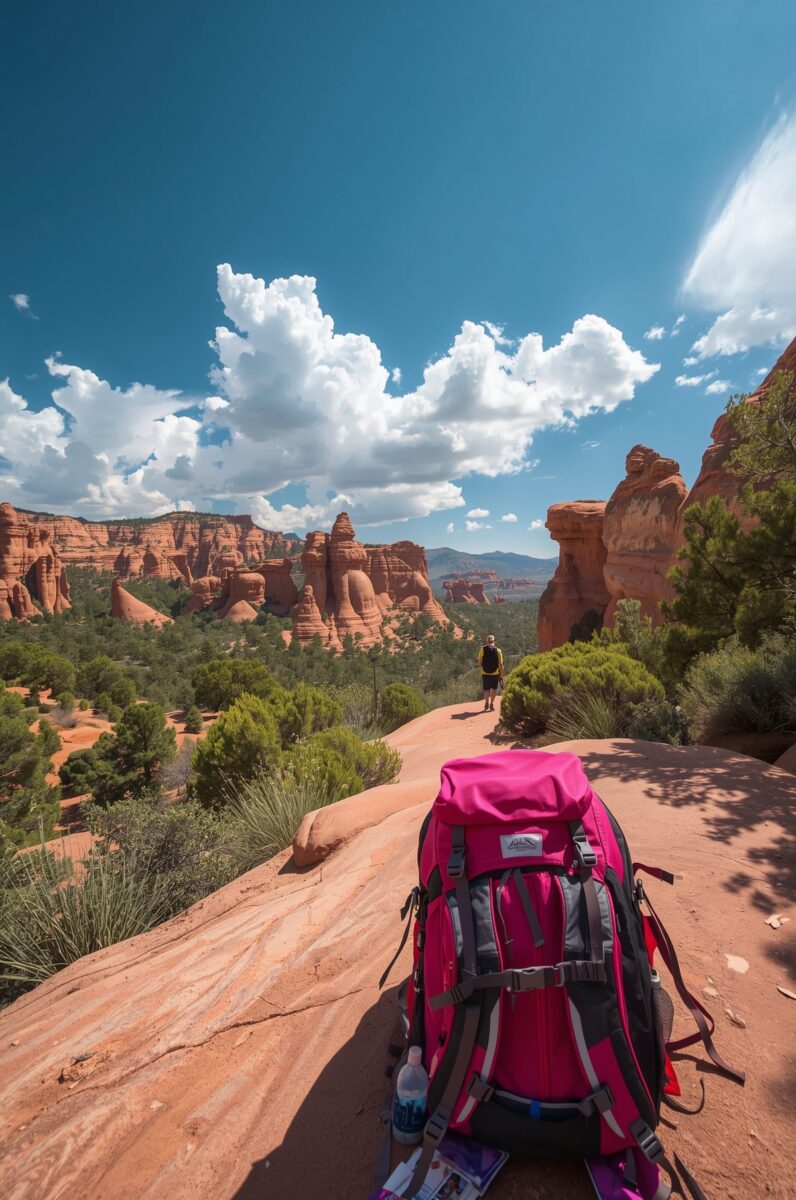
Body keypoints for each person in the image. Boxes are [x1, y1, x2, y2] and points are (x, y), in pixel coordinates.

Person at [476, 634, 503, 711]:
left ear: (487, 641)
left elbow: (479, 662)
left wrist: (481, 667)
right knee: (494, 689)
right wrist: (501, 675)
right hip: (495, 673)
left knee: (486, 689)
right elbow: (500, 664)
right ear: (494, 641)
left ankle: (486, 703)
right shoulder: (498, 650)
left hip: (485, 673)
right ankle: (491, 704)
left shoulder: (482, 649)